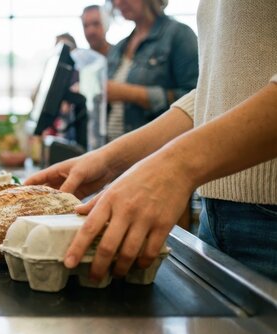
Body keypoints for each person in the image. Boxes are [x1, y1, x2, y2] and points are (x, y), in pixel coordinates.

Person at [25, 1, 277, 281]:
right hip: (215, 213)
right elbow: (209, 99)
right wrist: (109, 159)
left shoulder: (175, 35)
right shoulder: (122, 46)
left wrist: (176, 166)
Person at [105, 0, 197, 142]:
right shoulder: (118, 48)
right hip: (114, 149)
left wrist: (130, 93)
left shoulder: (179, 35)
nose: (118, 2)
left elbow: (196, 98)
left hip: (156, 152)